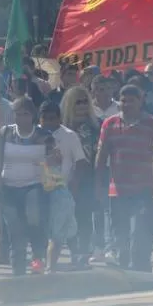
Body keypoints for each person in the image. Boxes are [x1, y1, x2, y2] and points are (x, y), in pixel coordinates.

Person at [96, 84, 153, 272]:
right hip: (118, 190)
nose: (126, 104)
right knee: (120, 234)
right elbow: (101, 157)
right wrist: (99, 186)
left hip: (145, 189)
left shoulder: (152, 124)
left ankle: (141, 267)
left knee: (140, 229)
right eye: (123, 100)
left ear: (141, 101)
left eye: (131, 100)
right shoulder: (110, 123)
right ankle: (125, 270)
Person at [0, 97, 54, 276]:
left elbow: (53, 162)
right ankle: (18, 271)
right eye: (17, 114)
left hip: (34, 186)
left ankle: (38, 262)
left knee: (34, 220)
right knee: (15, 229)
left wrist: (53, 160)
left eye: (25, 114)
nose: (21, 118)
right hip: (8, 187)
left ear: (33, 115)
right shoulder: (5, 133)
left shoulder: (44, 136)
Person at [39, 102, 87, 272]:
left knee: (63, 227)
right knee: (43, 229)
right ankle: (40, 265)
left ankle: (56, 265)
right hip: (39, 191)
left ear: (59, 118)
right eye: (45, 118)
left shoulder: (69, 136)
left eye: (53, 118)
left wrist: (73, 186)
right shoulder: (36, 134)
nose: (48, 122)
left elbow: (80, 162)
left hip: (61, 189)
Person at [60, 86, 100, 267]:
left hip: (89, 178)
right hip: (65, 178)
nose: (83, 105)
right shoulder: (62, 127)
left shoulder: (96, 125)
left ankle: (84, 253)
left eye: (85, 101)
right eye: (78, 102)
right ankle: (73, 252)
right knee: (69, 217)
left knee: (84, 216)